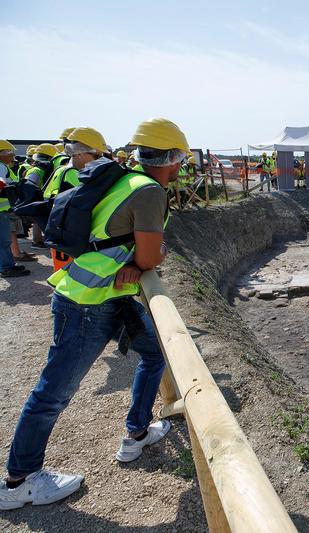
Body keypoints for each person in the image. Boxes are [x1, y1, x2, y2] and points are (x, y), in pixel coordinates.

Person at [0, 118, 190, 510]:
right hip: (88, 304)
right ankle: (19, 482)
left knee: (155, 354)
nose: (179, 168)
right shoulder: (150, 191)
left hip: (104, 296)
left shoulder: (125, 179)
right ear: (171, 158)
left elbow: (126, 246)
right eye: (180, 160)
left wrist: (138, 261)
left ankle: (136, 434)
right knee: (53, 392)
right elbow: (151, 256)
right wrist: (153, 257)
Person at [0, 140, 31, 278]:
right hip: (1, 212)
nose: (13, 155)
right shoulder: (1, 166)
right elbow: (2, 183)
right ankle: (6, 267)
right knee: (3, 241)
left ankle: (7, 265)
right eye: (10, 152)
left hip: (3, 211)